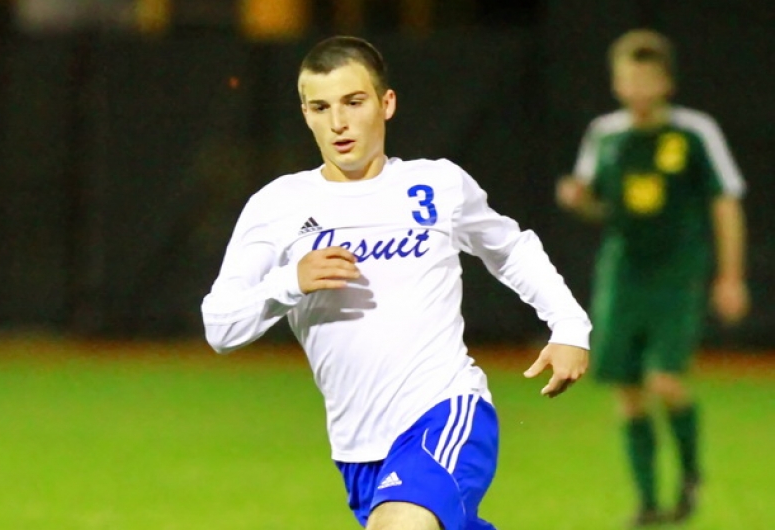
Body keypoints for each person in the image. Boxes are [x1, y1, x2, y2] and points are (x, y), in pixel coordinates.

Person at [203, 35, 591, 530]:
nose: (338, 122)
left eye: (353, 102)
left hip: (445, 411)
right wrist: (289, 282)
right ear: (305, 113)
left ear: (386, 104)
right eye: (320, 107)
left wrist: (568, 326)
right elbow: (219, 325)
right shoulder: (277, 205)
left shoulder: (437, 185)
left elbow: (510, 247)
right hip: (358, 450)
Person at [556, 29, 749, 527]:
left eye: (647, 79)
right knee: (626, 388)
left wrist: (730, 276)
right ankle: (647, 502)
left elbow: (725, 201)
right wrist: (580, 200)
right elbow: (599, 203)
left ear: (666, 82)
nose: (637, 90)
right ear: (617, 84)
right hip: (622, 271)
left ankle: (688, 472)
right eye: (628, 80)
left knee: (665, 380)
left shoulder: (693, 132)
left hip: (677, 271)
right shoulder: (606, 134)